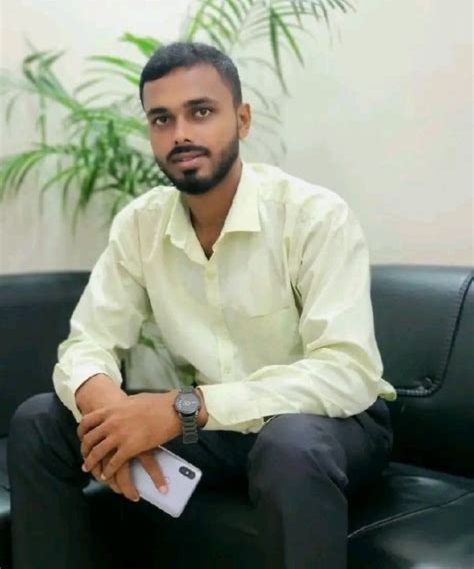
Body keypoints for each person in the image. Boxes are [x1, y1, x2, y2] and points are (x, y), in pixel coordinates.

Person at [7, 41, 397, 569]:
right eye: (161, 119)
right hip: (214, 428)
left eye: (201, 112)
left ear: (242, 119)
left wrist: (179, 409)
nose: (181, 134)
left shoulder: (314, 216)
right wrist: (111, 416)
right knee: (39, 422)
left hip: (327, 426)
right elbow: (88, 341)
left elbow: (347, 372)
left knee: (289, 443)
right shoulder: (140, 225)